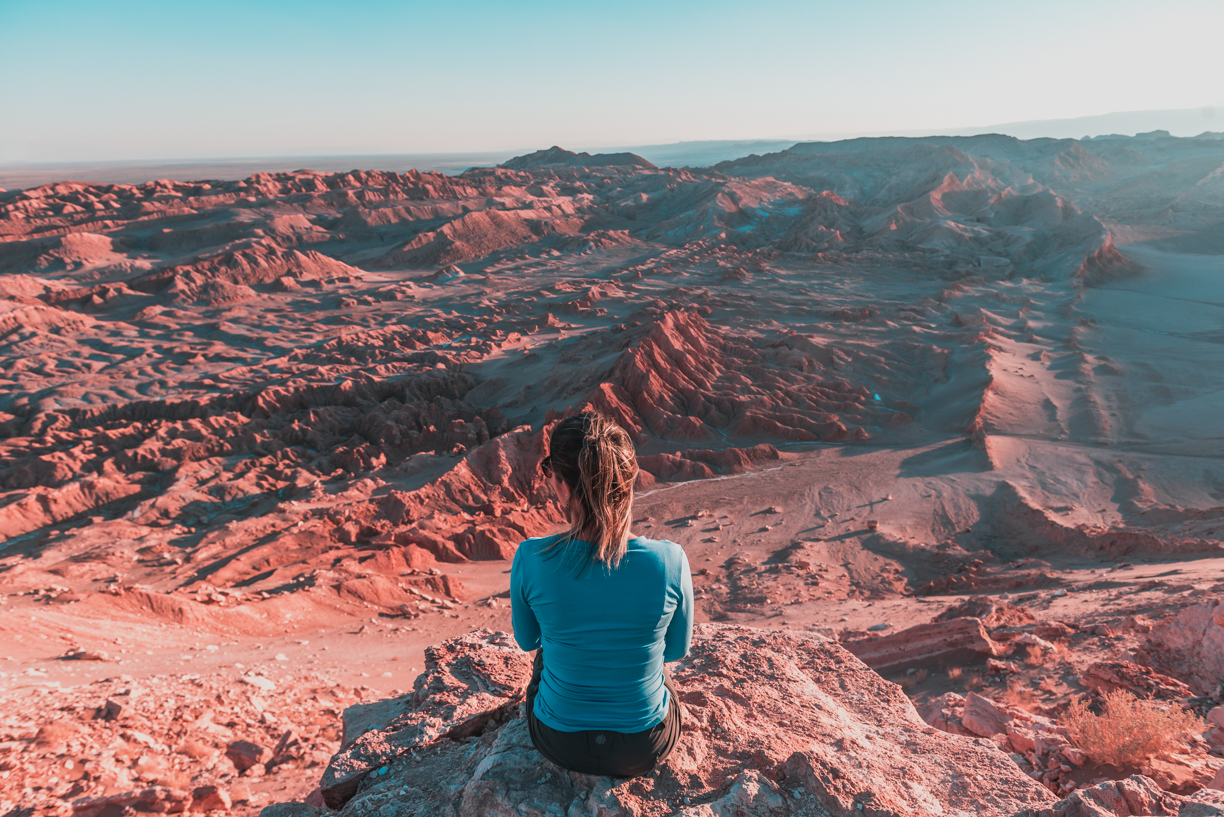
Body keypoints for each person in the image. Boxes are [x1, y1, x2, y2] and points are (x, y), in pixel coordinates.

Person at [511, 411, 693, 778]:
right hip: (645, 745)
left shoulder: (530, 558)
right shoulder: (670, 560)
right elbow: (675, 651)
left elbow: (528, 640)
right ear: (629, 480)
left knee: (547, 656)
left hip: (558, 742)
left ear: (562, 485)